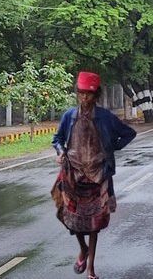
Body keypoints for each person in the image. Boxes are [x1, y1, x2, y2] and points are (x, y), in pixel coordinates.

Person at [51, 71, 137, 279]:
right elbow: (57, 139)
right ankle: (83, 248)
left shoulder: (105, 117)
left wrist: (110, 148)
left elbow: (129, 133)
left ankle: (91, 268)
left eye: (88, 94)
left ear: (95, 95)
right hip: (73, 175)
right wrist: (61, 153)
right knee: (71, 218)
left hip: (98, 176)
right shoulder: (69, 116)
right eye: (81, 94)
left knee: (94, 224)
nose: (84, 98)